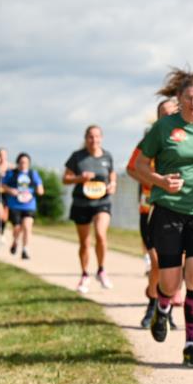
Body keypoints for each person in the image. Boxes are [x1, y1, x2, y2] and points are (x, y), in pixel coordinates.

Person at [133, 67, 193, 367]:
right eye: (189, 98)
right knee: (170, 280)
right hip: (167, 208)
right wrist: (160, 181)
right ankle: (162, 307)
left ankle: (191, 344)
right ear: (179, 98)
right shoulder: (164, 129)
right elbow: (137, 165)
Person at [127, 99, 180, 329]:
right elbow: (132, 168)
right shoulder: (149, 140)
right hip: (149, 208)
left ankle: (165, 309)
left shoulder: (186, 140)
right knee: (157, 262)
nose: (167, 118)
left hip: (177, 208)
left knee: (176, 264)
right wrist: (154, 182)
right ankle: (152, 304)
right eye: (163, 114)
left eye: (172, 114)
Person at [64, 125, 117, 293]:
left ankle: (101, 270)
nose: (94, 140)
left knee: (101, 234)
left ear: (101, 138)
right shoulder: (77, 157)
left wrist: (113, 184)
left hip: (102, 201)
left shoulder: (107, 156)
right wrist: (80, 178)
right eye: (90, 137)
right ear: (85, 138)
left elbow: (112, 174)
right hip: (81, 203)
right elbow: (65, 179)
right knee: (84, 242)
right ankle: (85, 275)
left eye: (97, 136)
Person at [1, 152, 44, 259]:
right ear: (18, 163)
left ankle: (25, 249)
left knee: (27, 227)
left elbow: (40, 189)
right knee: (17, 228)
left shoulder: (33, 174)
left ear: (29, 163)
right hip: (15, 205)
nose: (23, 164)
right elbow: (2, 185)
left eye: (25, 162)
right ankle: (15, 241)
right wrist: (10, 190)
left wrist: (39, 190)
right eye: (21, 162)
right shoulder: (11, 173)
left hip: (29, 205)